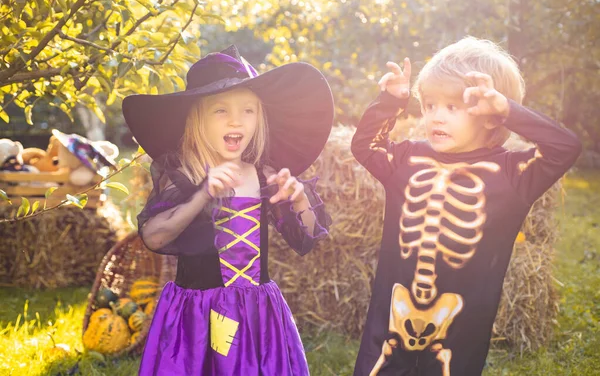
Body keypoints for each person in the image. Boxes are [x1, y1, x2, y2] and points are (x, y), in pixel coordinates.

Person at [351, 37, 582, 376]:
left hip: (457, 340)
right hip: (389, 326)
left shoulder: (513, 175)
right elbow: (365, 146)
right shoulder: (406, 158)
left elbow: (565, 147)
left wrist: (509, 111)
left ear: (489, 116)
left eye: (452, 107)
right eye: (429, 105)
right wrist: (390, 102)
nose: (436, 117)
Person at [122, 45, 334, 375]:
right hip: (197, 314)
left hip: (256, 313)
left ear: (259, 118)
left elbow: (305, 239)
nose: (236, 119)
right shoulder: (185, 175)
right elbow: (153, 235)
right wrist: (202, 195)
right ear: (197, 119)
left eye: (248, 110)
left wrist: (300, 200)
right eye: (220, 110)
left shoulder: (265, 176)